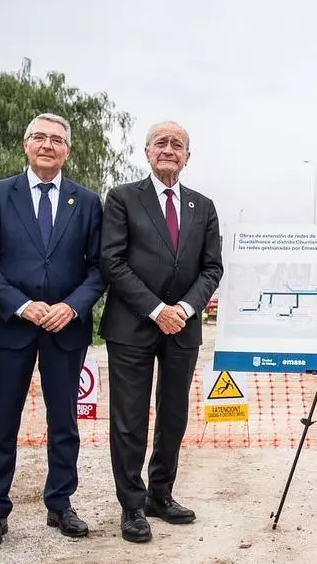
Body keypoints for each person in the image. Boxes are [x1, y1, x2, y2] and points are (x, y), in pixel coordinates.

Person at [0, 113, 106, 551]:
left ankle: (60, 502)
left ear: (67, 150)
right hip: (11, 328)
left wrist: (71, 306)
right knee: (2, 421)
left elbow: (99, 268)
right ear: (26, 144)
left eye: (57, 140)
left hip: (66, 329)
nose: (48, 145)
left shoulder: (87, 202)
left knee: (64, 420)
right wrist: (23, 305)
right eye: (40, 137)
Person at [99, 120, 223, 544]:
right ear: (147, 152)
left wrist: (184, 310)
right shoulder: (122, 198)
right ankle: (132, 506)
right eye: (161, 143)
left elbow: (212, 268)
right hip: (131, 326)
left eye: (177, 144)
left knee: (173, 416)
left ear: (188, 156)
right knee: (129, 419)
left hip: (182, 329)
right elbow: (112, 261)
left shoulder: (203, 206)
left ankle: (160, 494)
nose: (169, 149)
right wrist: (156, 310)